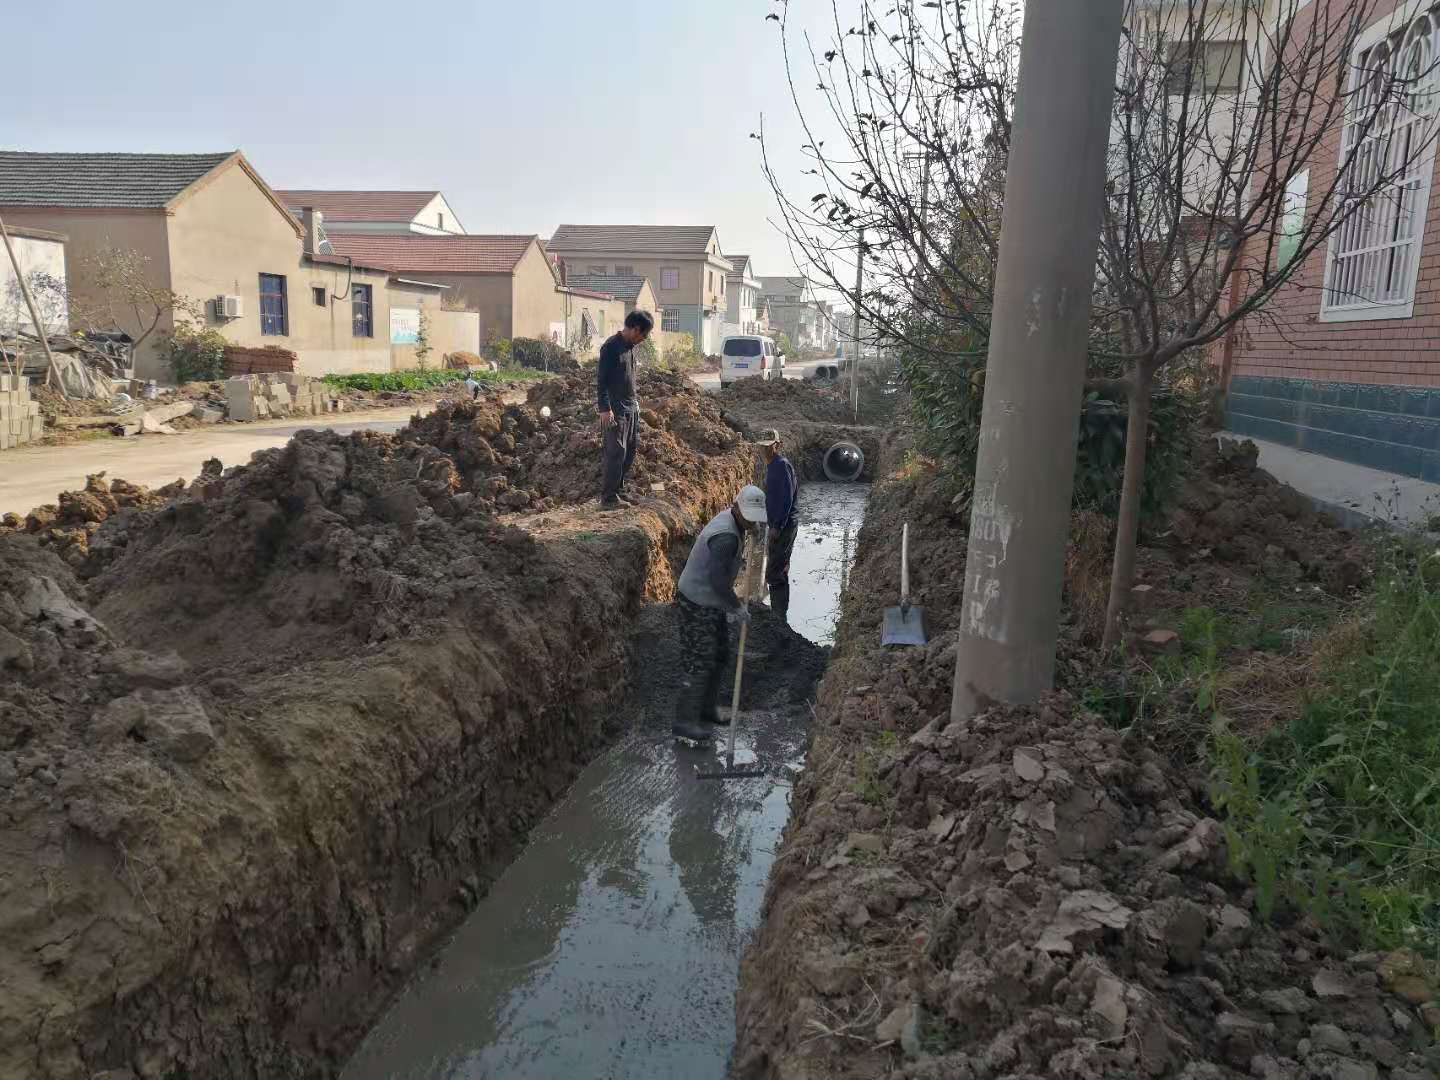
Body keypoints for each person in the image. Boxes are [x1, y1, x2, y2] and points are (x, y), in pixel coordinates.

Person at [672, 484, 769, 742]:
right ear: (736, 507)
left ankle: (706, 708)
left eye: (754, 519)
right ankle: (684, 722)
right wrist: (735, 607)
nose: (752, 523)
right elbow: (717, 581)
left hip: (711, 599)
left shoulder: (736, 523)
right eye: (749, 518)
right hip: (696, 601)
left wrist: (752, 529)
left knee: (720, 654)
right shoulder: (726, 537)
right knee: (700, 660)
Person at [597, 309, 655, 508]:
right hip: (616, 410)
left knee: (629, 452)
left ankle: (618, 491)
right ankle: (608, 498)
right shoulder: (610, 348)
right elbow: (601, 381)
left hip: (631, 408)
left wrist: (635, 404)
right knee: (616, 453)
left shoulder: (629, 347)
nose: (644, 339)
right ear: (636, 329)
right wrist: (605, 408)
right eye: (644, 335)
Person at [757, 429, 799, 623]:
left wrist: (777, 526)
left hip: (784, 526)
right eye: (762, 446)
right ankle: (779, 616)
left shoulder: (781, 466)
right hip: (779, 524)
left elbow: (785, 499)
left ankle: (778, 618)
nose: (765, 450)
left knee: (775, 572)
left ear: (777, 445)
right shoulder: (773, 466)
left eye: (769, 446)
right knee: (779, 568)